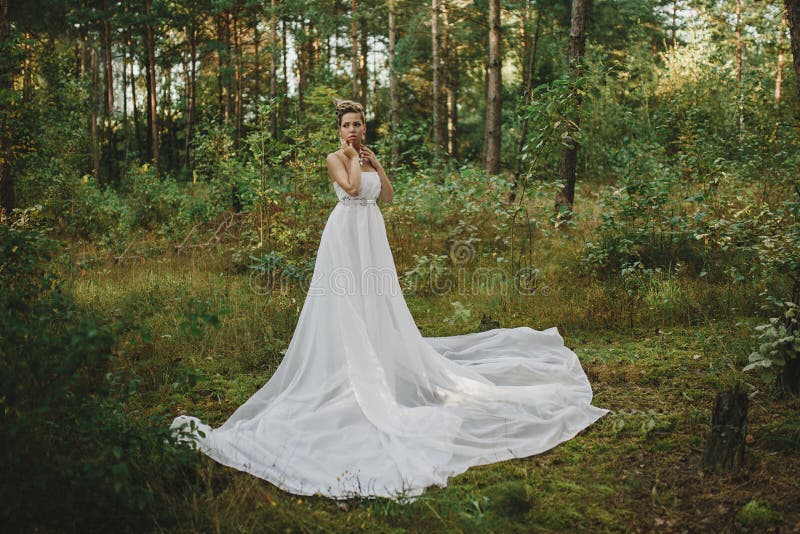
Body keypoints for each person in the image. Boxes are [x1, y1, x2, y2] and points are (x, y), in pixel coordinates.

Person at [171, 99, 608, 502]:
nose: (353, 130)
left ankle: (381, 358)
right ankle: (348, 369)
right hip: (345, 236)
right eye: (347, 125)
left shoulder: (368, 155)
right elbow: (354, 190)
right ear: (339, 129)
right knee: (346, 302)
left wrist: (376, 161)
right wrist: (355, 161)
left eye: (358, 124)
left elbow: (389, 197)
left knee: (379, 302)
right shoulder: (334, 159)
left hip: (371, 235)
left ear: (365, 125)